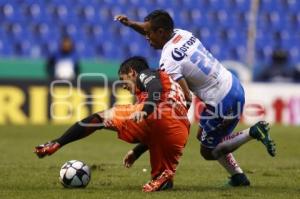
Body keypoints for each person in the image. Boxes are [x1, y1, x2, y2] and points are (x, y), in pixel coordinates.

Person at [115, 10, 276, 186]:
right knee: (205, 135)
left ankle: (252, 133)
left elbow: (187, 96)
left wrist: (175, 115)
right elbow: (154, 27)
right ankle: (239, 177)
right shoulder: (183, 34)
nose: (147, 37)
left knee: (208, 150)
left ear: (161, 32)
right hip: (232, 84)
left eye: (149, 33)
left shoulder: (168, 62)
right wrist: (131, 24)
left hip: (222, 100)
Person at [34, 56, 190, 192]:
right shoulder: (168, 87)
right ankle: (164, 177)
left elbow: (155, 87)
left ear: (132, 73)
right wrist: (137, 151)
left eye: (123, 79)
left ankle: (57, 143)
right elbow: (159, 130)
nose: (123, 85)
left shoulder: (147, 74)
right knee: (161, 177)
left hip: (162, 115)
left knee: (100, 118)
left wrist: (146, 110)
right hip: (180, 133)